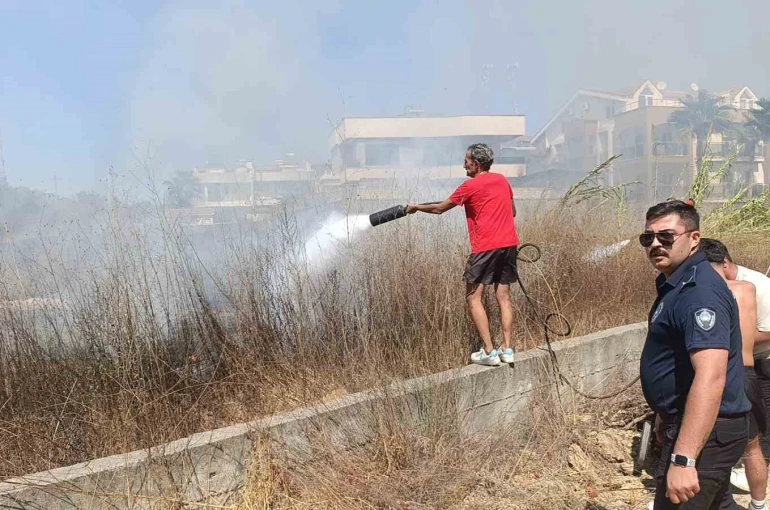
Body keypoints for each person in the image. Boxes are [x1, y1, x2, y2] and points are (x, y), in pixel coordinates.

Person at [639, 200, 749, 509]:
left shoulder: (699, 292)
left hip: (709, 431)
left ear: (694, 239)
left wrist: (685, 459)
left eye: (666, 236)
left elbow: (711, 374)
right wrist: (665, 414)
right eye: (648, 238)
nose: (656, 244)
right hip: (693, 422)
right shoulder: (677, 284)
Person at [406, 143, 519, 366]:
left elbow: (439, 209)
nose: (463, 164)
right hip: (509, 244)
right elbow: (513, 212)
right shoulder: (502, 181)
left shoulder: (469, 186)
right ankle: (507, 349)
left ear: (476, 164)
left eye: (466, 161)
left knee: (473, 297)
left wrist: (417, 207)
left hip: (485, 247)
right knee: (503, 297)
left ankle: (488, 352)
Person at [700, 238, 767, 510]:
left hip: (727, 374)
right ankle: (757, 504)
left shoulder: (708, 293)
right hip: (746, 373)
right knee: (751, 446)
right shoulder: (747, 288)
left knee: (710, 444)